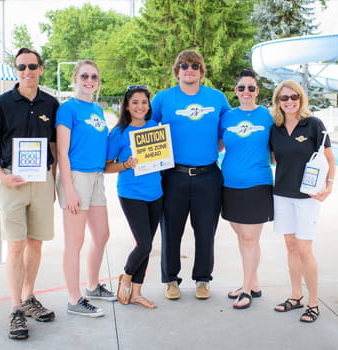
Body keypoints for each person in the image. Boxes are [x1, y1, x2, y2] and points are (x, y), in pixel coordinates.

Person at [0, 47, 58, 340]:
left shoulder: (51, 104)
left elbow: (54, 146)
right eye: (21, 67)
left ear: (41, 68)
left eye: (31, 66)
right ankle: (15, 309)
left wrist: (54, 181)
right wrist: (2, 176)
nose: (26, 71)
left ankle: (29, 298)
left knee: (36, 244)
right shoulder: (2, 103)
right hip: (12, 182)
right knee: (15, 246)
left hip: (42, 184)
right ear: (16, 70)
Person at [151, 50, 230, 300]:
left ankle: (203, 279)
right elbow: (145, 130)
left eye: (195, 66)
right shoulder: (163, 99)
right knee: (171, 231)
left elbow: (226, 133)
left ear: (201, 71)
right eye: (184, 65)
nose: (189, 70)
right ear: (177, 70)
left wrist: (206, 150)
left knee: (206, 231)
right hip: (173, 175)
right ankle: (171, 280)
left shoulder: (217, 98)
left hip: (208, 176)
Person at [269, 80, 336, 323]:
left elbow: (330, 159)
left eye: (294, 96)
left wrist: (329, 186)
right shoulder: (274, 128)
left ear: (301, 98)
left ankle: (313, 303)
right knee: (291, 247)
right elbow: (273, 158)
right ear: (278, 101)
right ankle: (296, 296)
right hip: (282, 195)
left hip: (307, 197)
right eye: (284, 98)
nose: (289, 101)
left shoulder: (314, 124)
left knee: (305, 249)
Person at [56, 60, 116, 318]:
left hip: (96, 177)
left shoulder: (97, 110)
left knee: (102, 235)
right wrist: (69, 189)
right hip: (76, 177)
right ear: (75, 78)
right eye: (84, 75)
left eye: (94, 76)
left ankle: (92, 286)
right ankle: (74, 299)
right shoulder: (67, 109)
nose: (89, 80)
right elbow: (61, 151)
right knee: (74, 242)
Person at [220, 68, 274, 309]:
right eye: (242, 88)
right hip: (230, 185)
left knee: (250, 238)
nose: (246, 92)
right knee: (242, 236)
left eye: (251, 88)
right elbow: (218, 146)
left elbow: (279, 148)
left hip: (257, 184)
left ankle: (246, 289)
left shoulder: (268, 116)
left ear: (257, 91)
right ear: (236, 91)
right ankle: (254, 283)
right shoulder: (227, 117)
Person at [105, 85, 162, 309]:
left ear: (149, 106)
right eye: (135, 102)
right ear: (127, 106)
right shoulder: (118, 133)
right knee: (145, 244)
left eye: (144, 102)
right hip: (131, 193)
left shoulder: (155, 127)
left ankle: (137, 293)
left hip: (156, 193)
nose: (140, 106)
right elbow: (106, 167)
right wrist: (126, 164)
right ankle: (126, 276)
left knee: (145, 245)